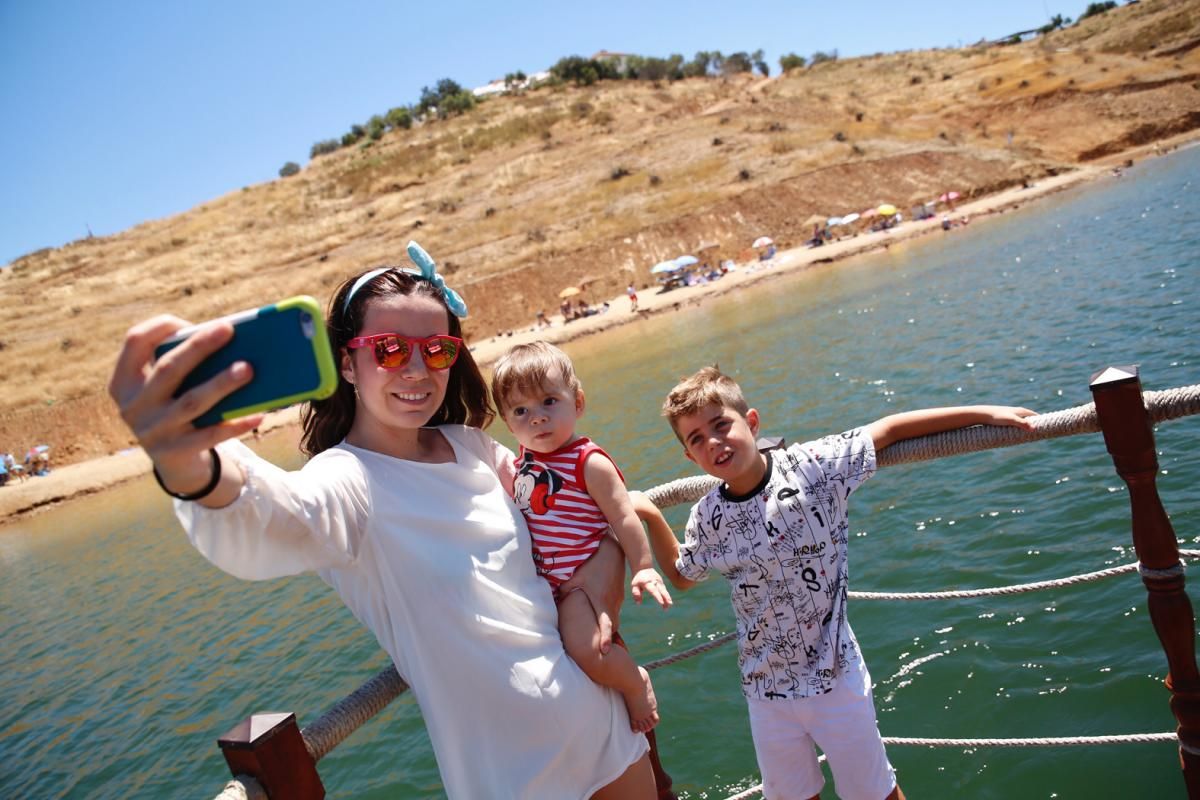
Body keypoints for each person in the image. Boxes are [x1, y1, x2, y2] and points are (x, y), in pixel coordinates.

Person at [107, 241, 658, 799]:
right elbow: (272, 516)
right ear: (347, 362)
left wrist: (609, 570)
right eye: (390, 349)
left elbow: (573, 519)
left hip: (604, 725)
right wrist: (188, 465)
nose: (418, 370)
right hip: (509, 777)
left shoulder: (473, 447)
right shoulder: (348, 481)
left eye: (437, 350)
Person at [633, 365, 1037, 800]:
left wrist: (986, 413)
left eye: (721, 424)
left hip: (835, 677)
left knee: (874, 793)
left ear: (751, 422)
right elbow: (683, 574)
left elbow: (889, 429)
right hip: (766, 692)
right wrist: (650, 514)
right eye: (696, 439)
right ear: (691, 458)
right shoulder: (708, 516)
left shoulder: (811, 468)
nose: (713, 441)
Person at [491, 342, 672, 734]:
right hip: (546, 586)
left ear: (578, 402)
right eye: (521, 411)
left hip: (576, 582)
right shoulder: (524, 461)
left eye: (549, 402)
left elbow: (623, 518)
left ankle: (634, 682)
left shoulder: (587, 462)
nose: (536, 419)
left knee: (590, 652)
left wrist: (643, 567)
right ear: (508, 422)